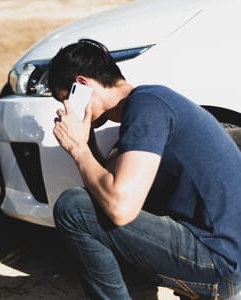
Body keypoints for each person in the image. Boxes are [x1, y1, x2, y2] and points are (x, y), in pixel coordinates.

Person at [48, 39, 241, 299]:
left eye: (65, 100)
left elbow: (119, 208)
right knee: (90, 203)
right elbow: (105, 186)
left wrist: (77, 149)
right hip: (223, 258)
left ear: (80, 86)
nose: (65, 109)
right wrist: (86, 140)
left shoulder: (146, 107)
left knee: (73, 207)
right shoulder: (149, 105)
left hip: (219, 262)